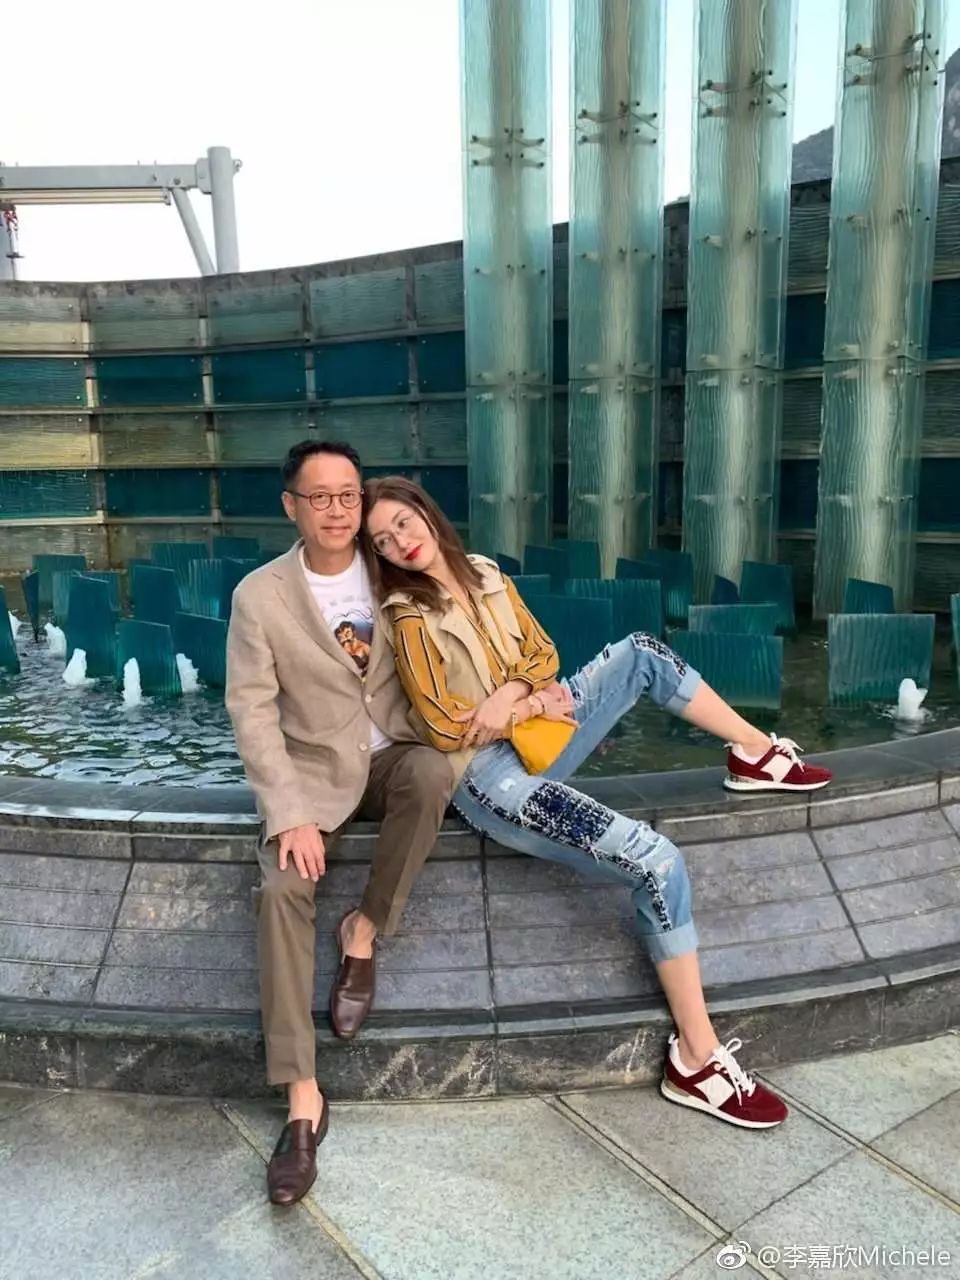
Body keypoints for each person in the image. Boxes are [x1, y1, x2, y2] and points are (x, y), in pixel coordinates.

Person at [362, 475, 833, 1131]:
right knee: (657, 862)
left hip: (538, 726)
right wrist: (523, 701)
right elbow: (444, 727)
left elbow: (543, 653)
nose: (399, 543)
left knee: (641, 653)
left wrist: (519, 697)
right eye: (382, 541)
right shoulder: (406, 615)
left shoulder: (484, 572)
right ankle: (696, 1060)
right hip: (487, 777)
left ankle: (755, 752)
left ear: (426, 513)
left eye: (402, 523)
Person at [225, 442, 457, 1206]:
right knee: (281, 891)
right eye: (319, 496)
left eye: (348, 495)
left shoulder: (390, 565)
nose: (337, 510)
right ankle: (302, 1100)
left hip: (391, 758)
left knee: (432, 774)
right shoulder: (260, 595)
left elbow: (465, 622)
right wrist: (289, 814)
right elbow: (252, 712)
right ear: (290, 506)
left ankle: (364, 930)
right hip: (312, 777)